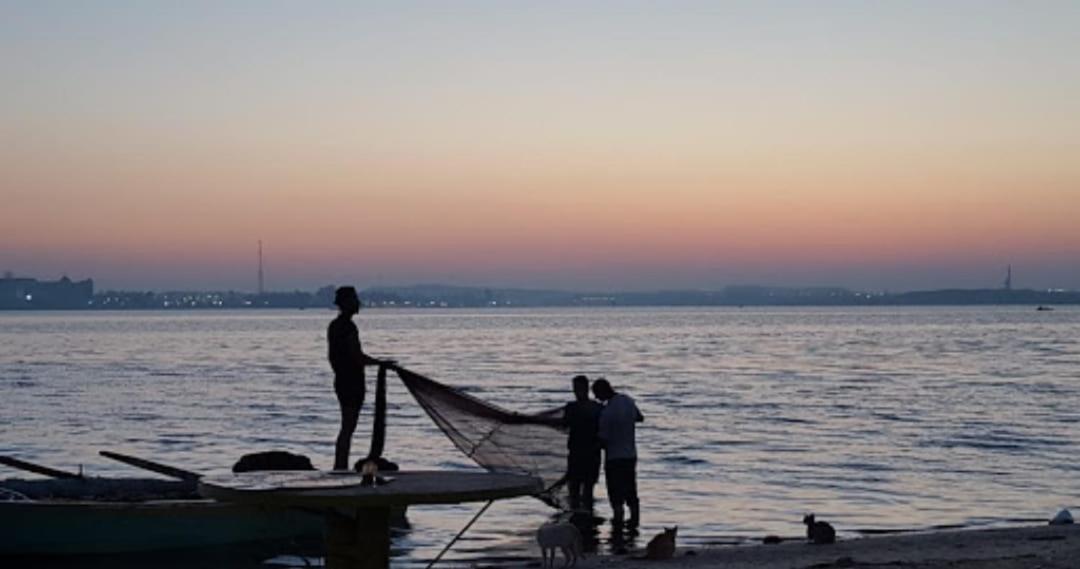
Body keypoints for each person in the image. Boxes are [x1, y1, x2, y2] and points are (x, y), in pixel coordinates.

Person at [328, 286, 390, 471]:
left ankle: (340, 465)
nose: (358, 303)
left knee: (347, 426)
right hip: (351, 382)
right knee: (348, 426)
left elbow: (334, 357)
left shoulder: (335, 326)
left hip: (342, 380)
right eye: (354, 300)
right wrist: (379, 363)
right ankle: (340, 467)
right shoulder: (348, 327)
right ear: (346, 303)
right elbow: (356, 356)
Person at [593, 378, 644, 527]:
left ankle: (618, 524)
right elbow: (640, 418)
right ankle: (635, 523)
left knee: (616, 496)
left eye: (597, 394)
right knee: (631, 491)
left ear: (602, 392)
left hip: (614, 458)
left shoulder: (606, 413)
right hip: (630, 455)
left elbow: (603, 441)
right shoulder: (627, 400)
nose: (596, 398)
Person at [562, 374, 603, 512]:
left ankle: (583, 515)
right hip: (582, 453)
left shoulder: (574, 408)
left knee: (585, 489)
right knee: (576, 489)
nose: (576, 392)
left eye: (578, 388)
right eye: (575, 389)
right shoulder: (597, 408)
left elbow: (563, 424)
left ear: (586, 389)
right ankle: (583, 516)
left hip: (587, 453)